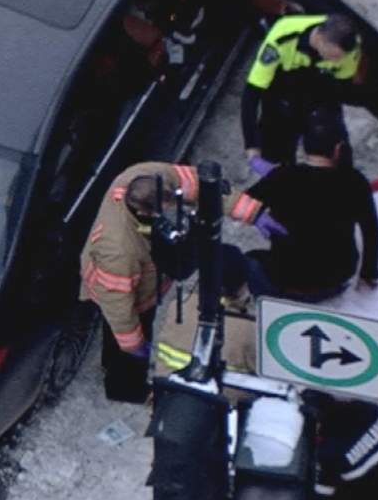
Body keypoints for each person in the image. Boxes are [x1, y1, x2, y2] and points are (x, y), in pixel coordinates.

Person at [81, 162, 268, 403]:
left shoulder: (140, 177)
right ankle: (126, 389)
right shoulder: (118, 250)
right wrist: (133, 344)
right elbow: (118, 308)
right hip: (126, 293)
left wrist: (250, 212)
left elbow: (194, 184)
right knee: (125, 342)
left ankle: (114, 363)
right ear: (146, 212)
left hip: (141, 280)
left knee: (119, 339)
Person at [239, 112, 378, 301]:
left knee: (247, 260)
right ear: (338, 148)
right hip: (334, 281)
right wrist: (368, 274)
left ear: (303, 146)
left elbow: (238, 202)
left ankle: (248, 303)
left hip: (283, 280)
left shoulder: (281, 176)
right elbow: (372, 234)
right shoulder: (355, 181)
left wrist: (256, 216)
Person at [241, 13, 363, 170]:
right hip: (283, 90)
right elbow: (251, 94)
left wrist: (320, 125)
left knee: (337, 151)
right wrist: (251, 145)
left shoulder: (350, 48)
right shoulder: (282, 38)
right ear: (319, 39)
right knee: (274, 153)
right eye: (333, 56)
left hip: (320, 88)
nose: (336, 61)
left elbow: (340, 87)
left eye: (339, 58)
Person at [155, 246, 257, 378]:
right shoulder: (250, 329)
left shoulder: (176, 308)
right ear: (243, 285)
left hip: (169, 393)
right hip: (224, 398)